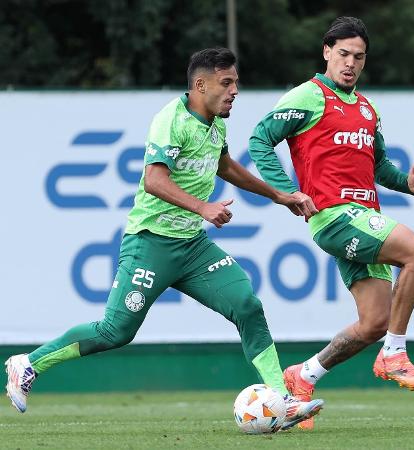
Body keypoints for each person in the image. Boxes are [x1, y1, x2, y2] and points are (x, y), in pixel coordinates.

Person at [5, 47, 324, 429]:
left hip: (192, 246)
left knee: (247, 305)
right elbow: (154, 180)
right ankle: (28, 364)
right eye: (227, 83)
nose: (235, 90)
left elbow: (225, 166)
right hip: (150, 243)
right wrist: (203, 208)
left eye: (236, 82)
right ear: (200, 84)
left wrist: (280, 195)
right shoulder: (170, 120)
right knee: (115, 331)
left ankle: (281, 400)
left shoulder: (216, 124)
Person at [248, 17, 414, 430]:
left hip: (366, 217)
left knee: (373, 322)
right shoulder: (310, 96)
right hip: (334, 216)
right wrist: (285, 191)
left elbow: (378, 165)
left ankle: (303, 375)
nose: (350, 63)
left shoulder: (367, 108)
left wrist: (406, 182)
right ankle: (395, 353)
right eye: (344, 54)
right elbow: (261, 137)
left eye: (359, 57)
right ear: (327, 52)